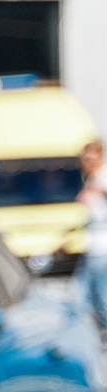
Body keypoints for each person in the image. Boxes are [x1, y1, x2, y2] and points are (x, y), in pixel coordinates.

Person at [80, 139, 107, 328]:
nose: (86, 163)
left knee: (99, 295)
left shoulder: (102, 177)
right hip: (92, 245)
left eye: (91, 159)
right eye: (84, 159)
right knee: (88, 296)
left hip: (102, 247)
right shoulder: (92, 178)